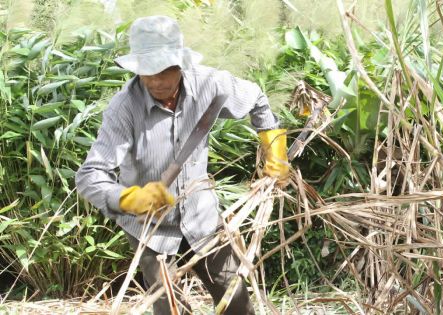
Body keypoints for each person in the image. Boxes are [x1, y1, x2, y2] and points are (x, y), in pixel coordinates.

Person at [75, 15, 289, 315]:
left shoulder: (208, 84)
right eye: (146, 72)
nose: (155, 81)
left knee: (236, 303)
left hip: (202, 219)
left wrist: (275, 152)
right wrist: (128, 198)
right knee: (170, 310)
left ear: (180, 63)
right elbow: (89, 174)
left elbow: (257, 98)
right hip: (151, 230)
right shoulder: (123, 109)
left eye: (163, 70)